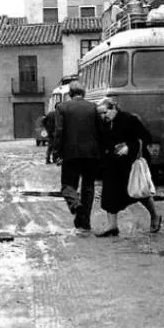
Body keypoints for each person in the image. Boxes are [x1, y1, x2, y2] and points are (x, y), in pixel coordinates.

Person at [95, 98, 161, 236]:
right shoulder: (104, 123)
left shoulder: (129, 119)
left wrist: (128, 147)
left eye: (105, 112)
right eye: (100, 114)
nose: (103, 116)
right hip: (112, 164)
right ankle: (112, 226)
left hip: (129, 164)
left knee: (138, 192)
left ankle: (155, 215)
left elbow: (146, 137)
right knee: (109, 193)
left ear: (114, 108)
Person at [53, 81, 103, 231]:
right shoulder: (93, 108)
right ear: (84, 93)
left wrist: (57, 153)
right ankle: (85, 221)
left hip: (70, 153)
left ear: (70, 93)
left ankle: (76, 205)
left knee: (68, 185)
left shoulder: (62, 108)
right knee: (88, 187)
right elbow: (100, 131)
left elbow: (59, 132)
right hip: (91, 154)